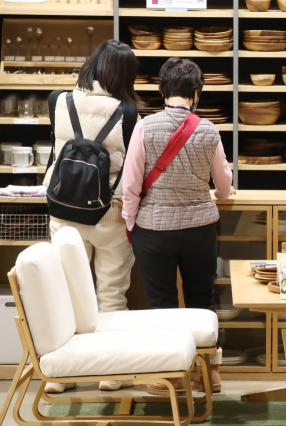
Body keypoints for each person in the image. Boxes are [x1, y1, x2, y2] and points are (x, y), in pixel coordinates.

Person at [121, 57, 233, 395]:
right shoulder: (209, 129)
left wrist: (131, 227)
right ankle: (209, 374)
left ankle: (170, 378)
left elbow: (130, 183)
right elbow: (223, 185)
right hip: (199, 229)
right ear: (196, 93)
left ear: (162, 91)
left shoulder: (145, 125)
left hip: (154, 230)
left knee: (161, 304)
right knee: (203, 301)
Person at [43, 39, 141, 394]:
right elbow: (132, 167)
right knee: (111, 294)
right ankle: (110, 372)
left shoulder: (59, 100)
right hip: (108, 214)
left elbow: (55, 151)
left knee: (67, 294)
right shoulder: (128, 112)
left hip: (64, 210)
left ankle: (60, 375)